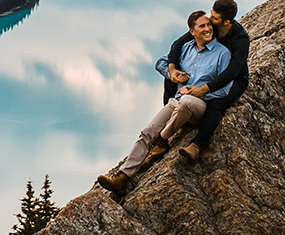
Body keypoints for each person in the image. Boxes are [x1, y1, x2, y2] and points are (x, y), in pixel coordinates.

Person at [97, 10, 231, 193]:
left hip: (201, 105)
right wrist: (173, 73)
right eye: (202, 26)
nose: (208, 29)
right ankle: (122, 178)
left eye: (209, 25)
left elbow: (224, 90)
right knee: (147, 132)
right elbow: (160, 62)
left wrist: (195, 92)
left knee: (186, 102)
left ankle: (163, 138)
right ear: (192, 31)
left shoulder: (222, 53)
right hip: (176, 102)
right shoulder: (186, 49)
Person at [164, 0, 249, 162]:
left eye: (215, 17)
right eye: (211, 13)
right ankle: (170, 114)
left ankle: (197, 145)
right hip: (212, 72)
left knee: (217, 101)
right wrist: (172, 69)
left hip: (235, 79)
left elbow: (232, 72)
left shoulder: (240, 40)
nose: (210, 19)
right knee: (170, 78)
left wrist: (203, 89)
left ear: (226, 22)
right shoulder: (210, 28)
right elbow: (177, 44)